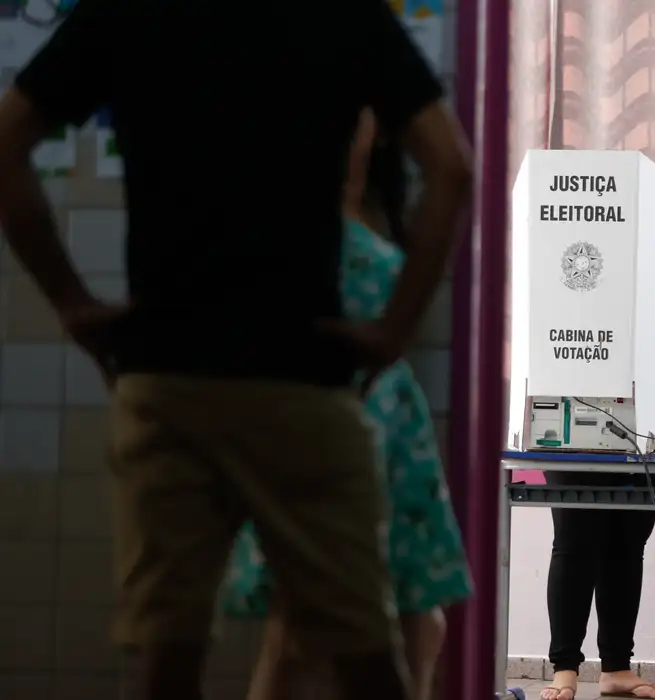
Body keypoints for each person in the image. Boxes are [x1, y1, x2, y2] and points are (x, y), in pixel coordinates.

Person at [0, 2, 472, 699]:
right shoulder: (343, 15)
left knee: (167, 661)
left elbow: (7, 140)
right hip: (301, 382)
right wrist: (394, 328)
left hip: (168, 379)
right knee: (367, 657)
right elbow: (452, 170)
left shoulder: (128, 15)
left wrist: (72, 301)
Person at [220, 107, 473, 700]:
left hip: (387, 439)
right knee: (299, 635)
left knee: (417, 623)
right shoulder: (281, 231)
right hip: (320, 435)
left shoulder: (368, 211)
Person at [540, 270, 655, 700]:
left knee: (626, 545)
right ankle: (564, 670)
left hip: (650, 420)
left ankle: (617, 667)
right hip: (572, 413)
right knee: (575, 542)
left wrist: (642, 346)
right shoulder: (568, 244)